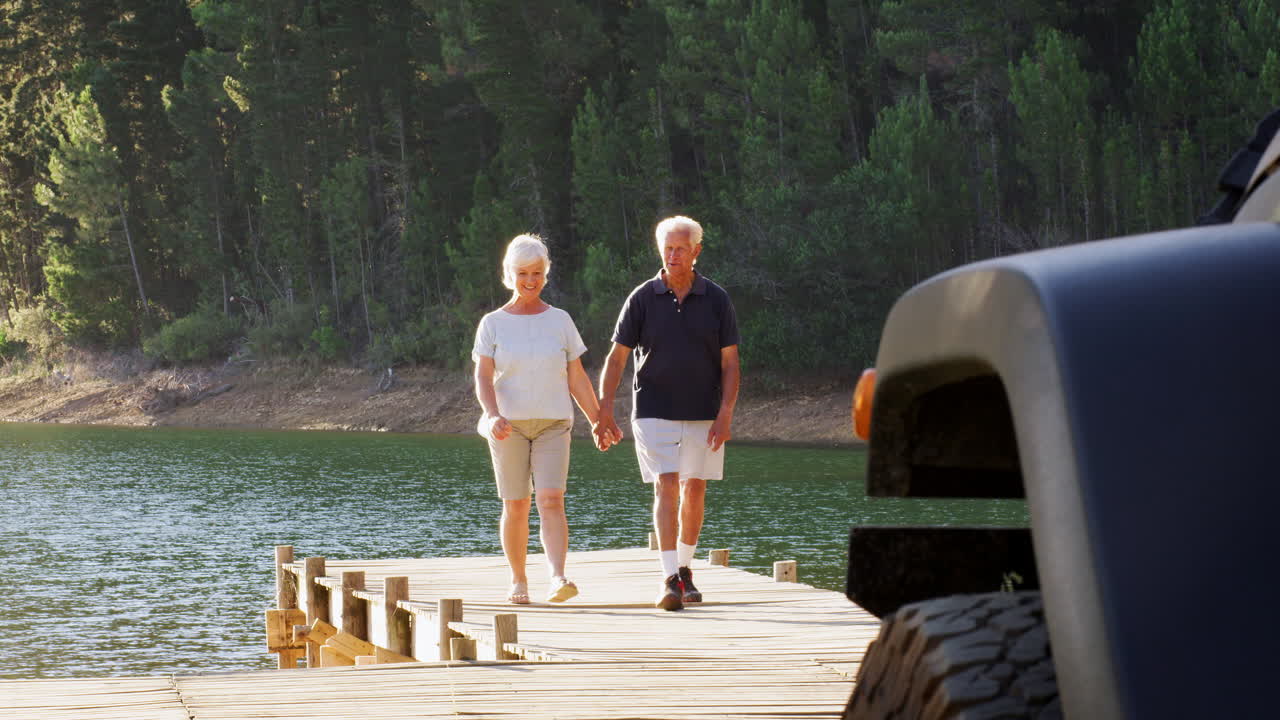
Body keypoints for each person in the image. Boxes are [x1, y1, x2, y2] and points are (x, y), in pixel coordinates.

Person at [595, 215, 740, 611]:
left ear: (696, 251)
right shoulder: (642, 298)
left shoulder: (717, 299)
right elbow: (616, 358)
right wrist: (604, 410)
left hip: (704, 409)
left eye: (681, 249)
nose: (673, 256)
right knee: (667, 483)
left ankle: (685, 569)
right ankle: (669, 577)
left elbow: (730, 363)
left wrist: (726, 413)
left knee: (695, 487)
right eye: (667, 249)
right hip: (653, 408)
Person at [473, 233, 614, 605]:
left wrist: (598, 420)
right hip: (508, 427)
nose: (530, 280)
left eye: (537, 272)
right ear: (509, 274)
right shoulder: (492, 323)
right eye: (522, 273)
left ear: (545, 273)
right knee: (517, 504)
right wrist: (492, 414)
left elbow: (577, 378)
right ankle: (518, 580)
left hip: (554, 423)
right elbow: (483, 377)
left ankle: (557, 577)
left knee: (551, 499)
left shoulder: (560, 320)